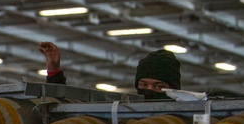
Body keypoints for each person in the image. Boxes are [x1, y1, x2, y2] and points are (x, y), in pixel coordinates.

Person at [38, 42, 182, 100]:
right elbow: (64, 110)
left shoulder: (191, 119)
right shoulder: (124, 114)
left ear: (173, 88)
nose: (149, 90)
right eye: (144, 85)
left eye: (158, 86)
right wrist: (53, 71)